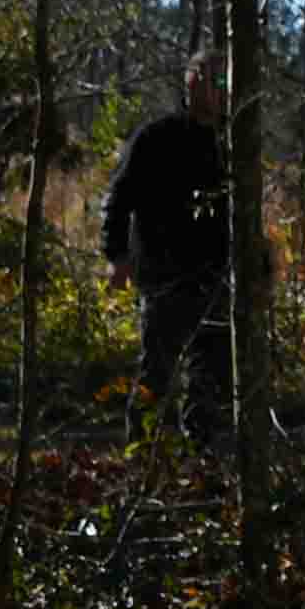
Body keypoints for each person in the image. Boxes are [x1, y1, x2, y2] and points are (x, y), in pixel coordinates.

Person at [100, 49, 233, 444]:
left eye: (224, 82)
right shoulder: (156, 138)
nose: (220, 90)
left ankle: (201, 463)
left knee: (208, 378)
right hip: (162, 276)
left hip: (215, 278)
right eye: (213, 80)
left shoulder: (231, 146)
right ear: (191, 84)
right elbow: (119, 199)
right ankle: (138, 456)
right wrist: (117, 258)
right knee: (156, 372)